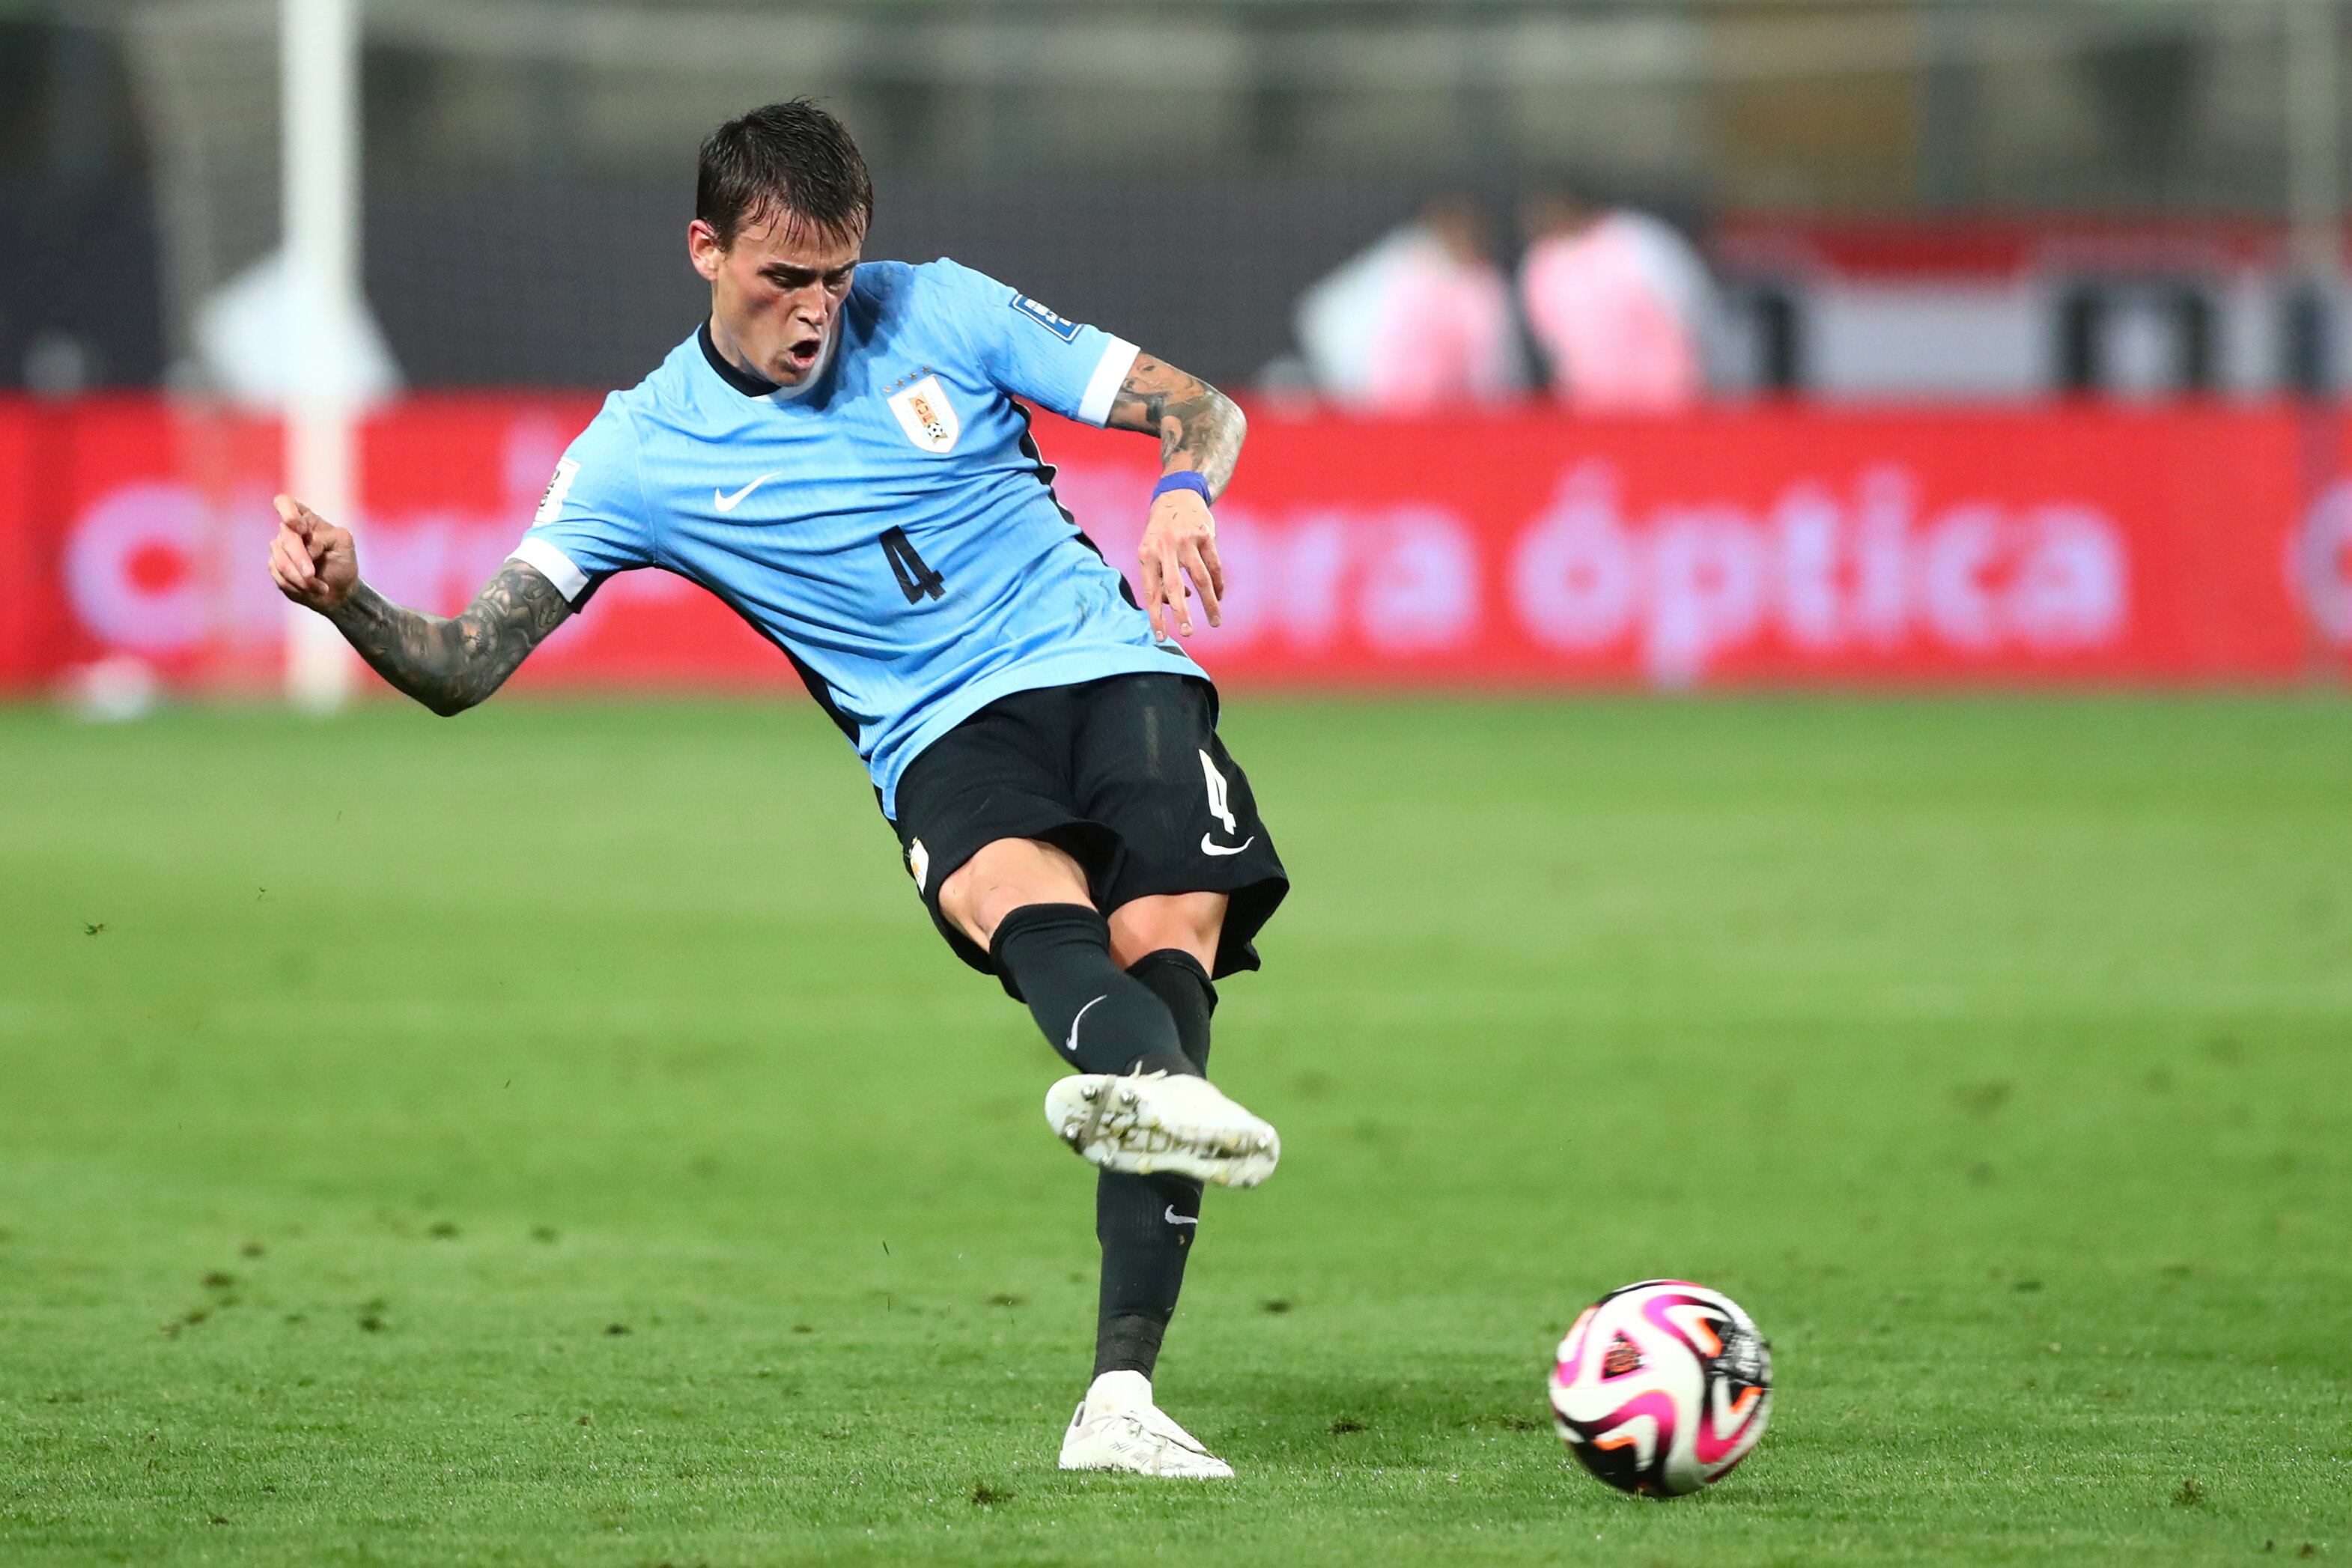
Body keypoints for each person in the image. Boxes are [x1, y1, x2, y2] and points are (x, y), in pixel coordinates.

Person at [266, 100, 1286, 1480]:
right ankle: (1144, 1097)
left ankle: (1120, 1389)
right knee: (1014, 898)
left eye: (836, 276)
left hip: (1110, 669)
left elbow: (1199, 409)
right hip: (937, 732)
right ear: (706, 249)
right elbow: (460, 664)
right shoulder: (641, 453)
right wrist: (349, 599)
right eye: (782, 277)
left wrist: (1181, 492)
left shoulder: (944, 308)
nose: (816, 310)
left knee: (1168, 941)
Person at [1293, 195, 1525, 410]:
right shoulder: (1409, 274)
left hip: (1456, 406)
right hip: (1398, 401)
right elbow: (1389, 345)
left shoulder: (1483, 285)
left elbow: (1493, 358)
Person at [1517, 191, 1716, 412]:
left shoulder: (1637, 240)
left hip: (1665, 396)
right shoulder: (1542, 262)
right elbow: (1548, 339)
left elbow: (1689, 309)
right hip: (1589, 399)